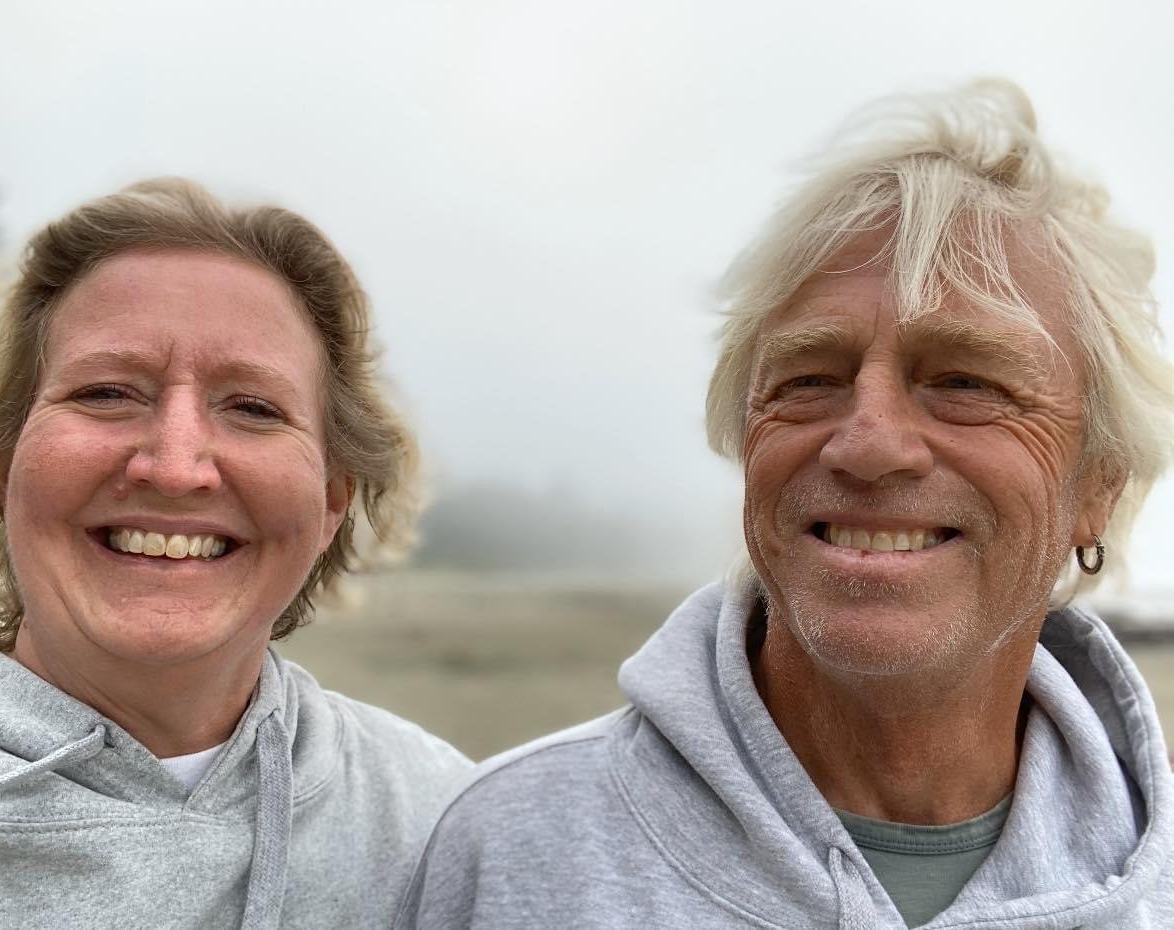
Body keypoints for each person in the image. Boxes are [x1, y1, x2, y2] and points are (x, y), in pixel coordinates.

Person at [395, 80, 1174, 928]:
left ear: (1098, 485)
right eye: (808, 380)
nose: (867, 444)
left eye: (965, 382)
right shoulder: (509, 849)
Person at [0, 179, 469, 929]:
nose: (176, 467)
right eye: (107, 392)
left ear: (331, 501)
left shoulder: (447, 822)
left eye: (253, 407)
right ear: (3, 466)